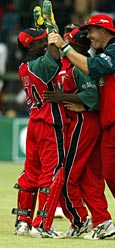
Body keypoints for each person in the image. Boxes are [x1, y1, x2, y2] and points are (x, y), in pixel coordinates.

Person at [51, 13, 115, 242]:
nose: (89, 37)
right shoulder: (104, 53)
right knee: (112, 175)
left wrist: (65, 47)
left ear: (104, 30)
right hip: (110, 125)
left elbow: (92, 68)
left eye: (91, 31)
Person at [43, 27, 115, 240]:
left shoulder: (80, 65)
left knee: (67, 176)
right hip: (91, 123)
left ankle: (79, 220)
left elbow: (92, 95)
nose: (65, 38)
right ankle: (103, 221)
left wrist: (62, 97)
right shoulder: (83, 62)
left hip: (83, 123)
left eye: (68, 37)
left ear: (73, 43)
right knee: (89, 177)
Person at [11, 27, 66, 238]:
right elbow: (54, 58)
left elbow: (46, 57)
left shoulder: (23, 67)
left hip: (34, 123)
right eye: (41, 41)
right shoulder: (41, 65)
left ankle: (22, 223)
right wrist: (54, 36)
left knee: (30, 174)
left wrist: (47, 36)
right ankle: (42, 225)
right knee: (51, 174)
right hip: (49, 124)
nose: (45, 44)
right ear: (31, 46)